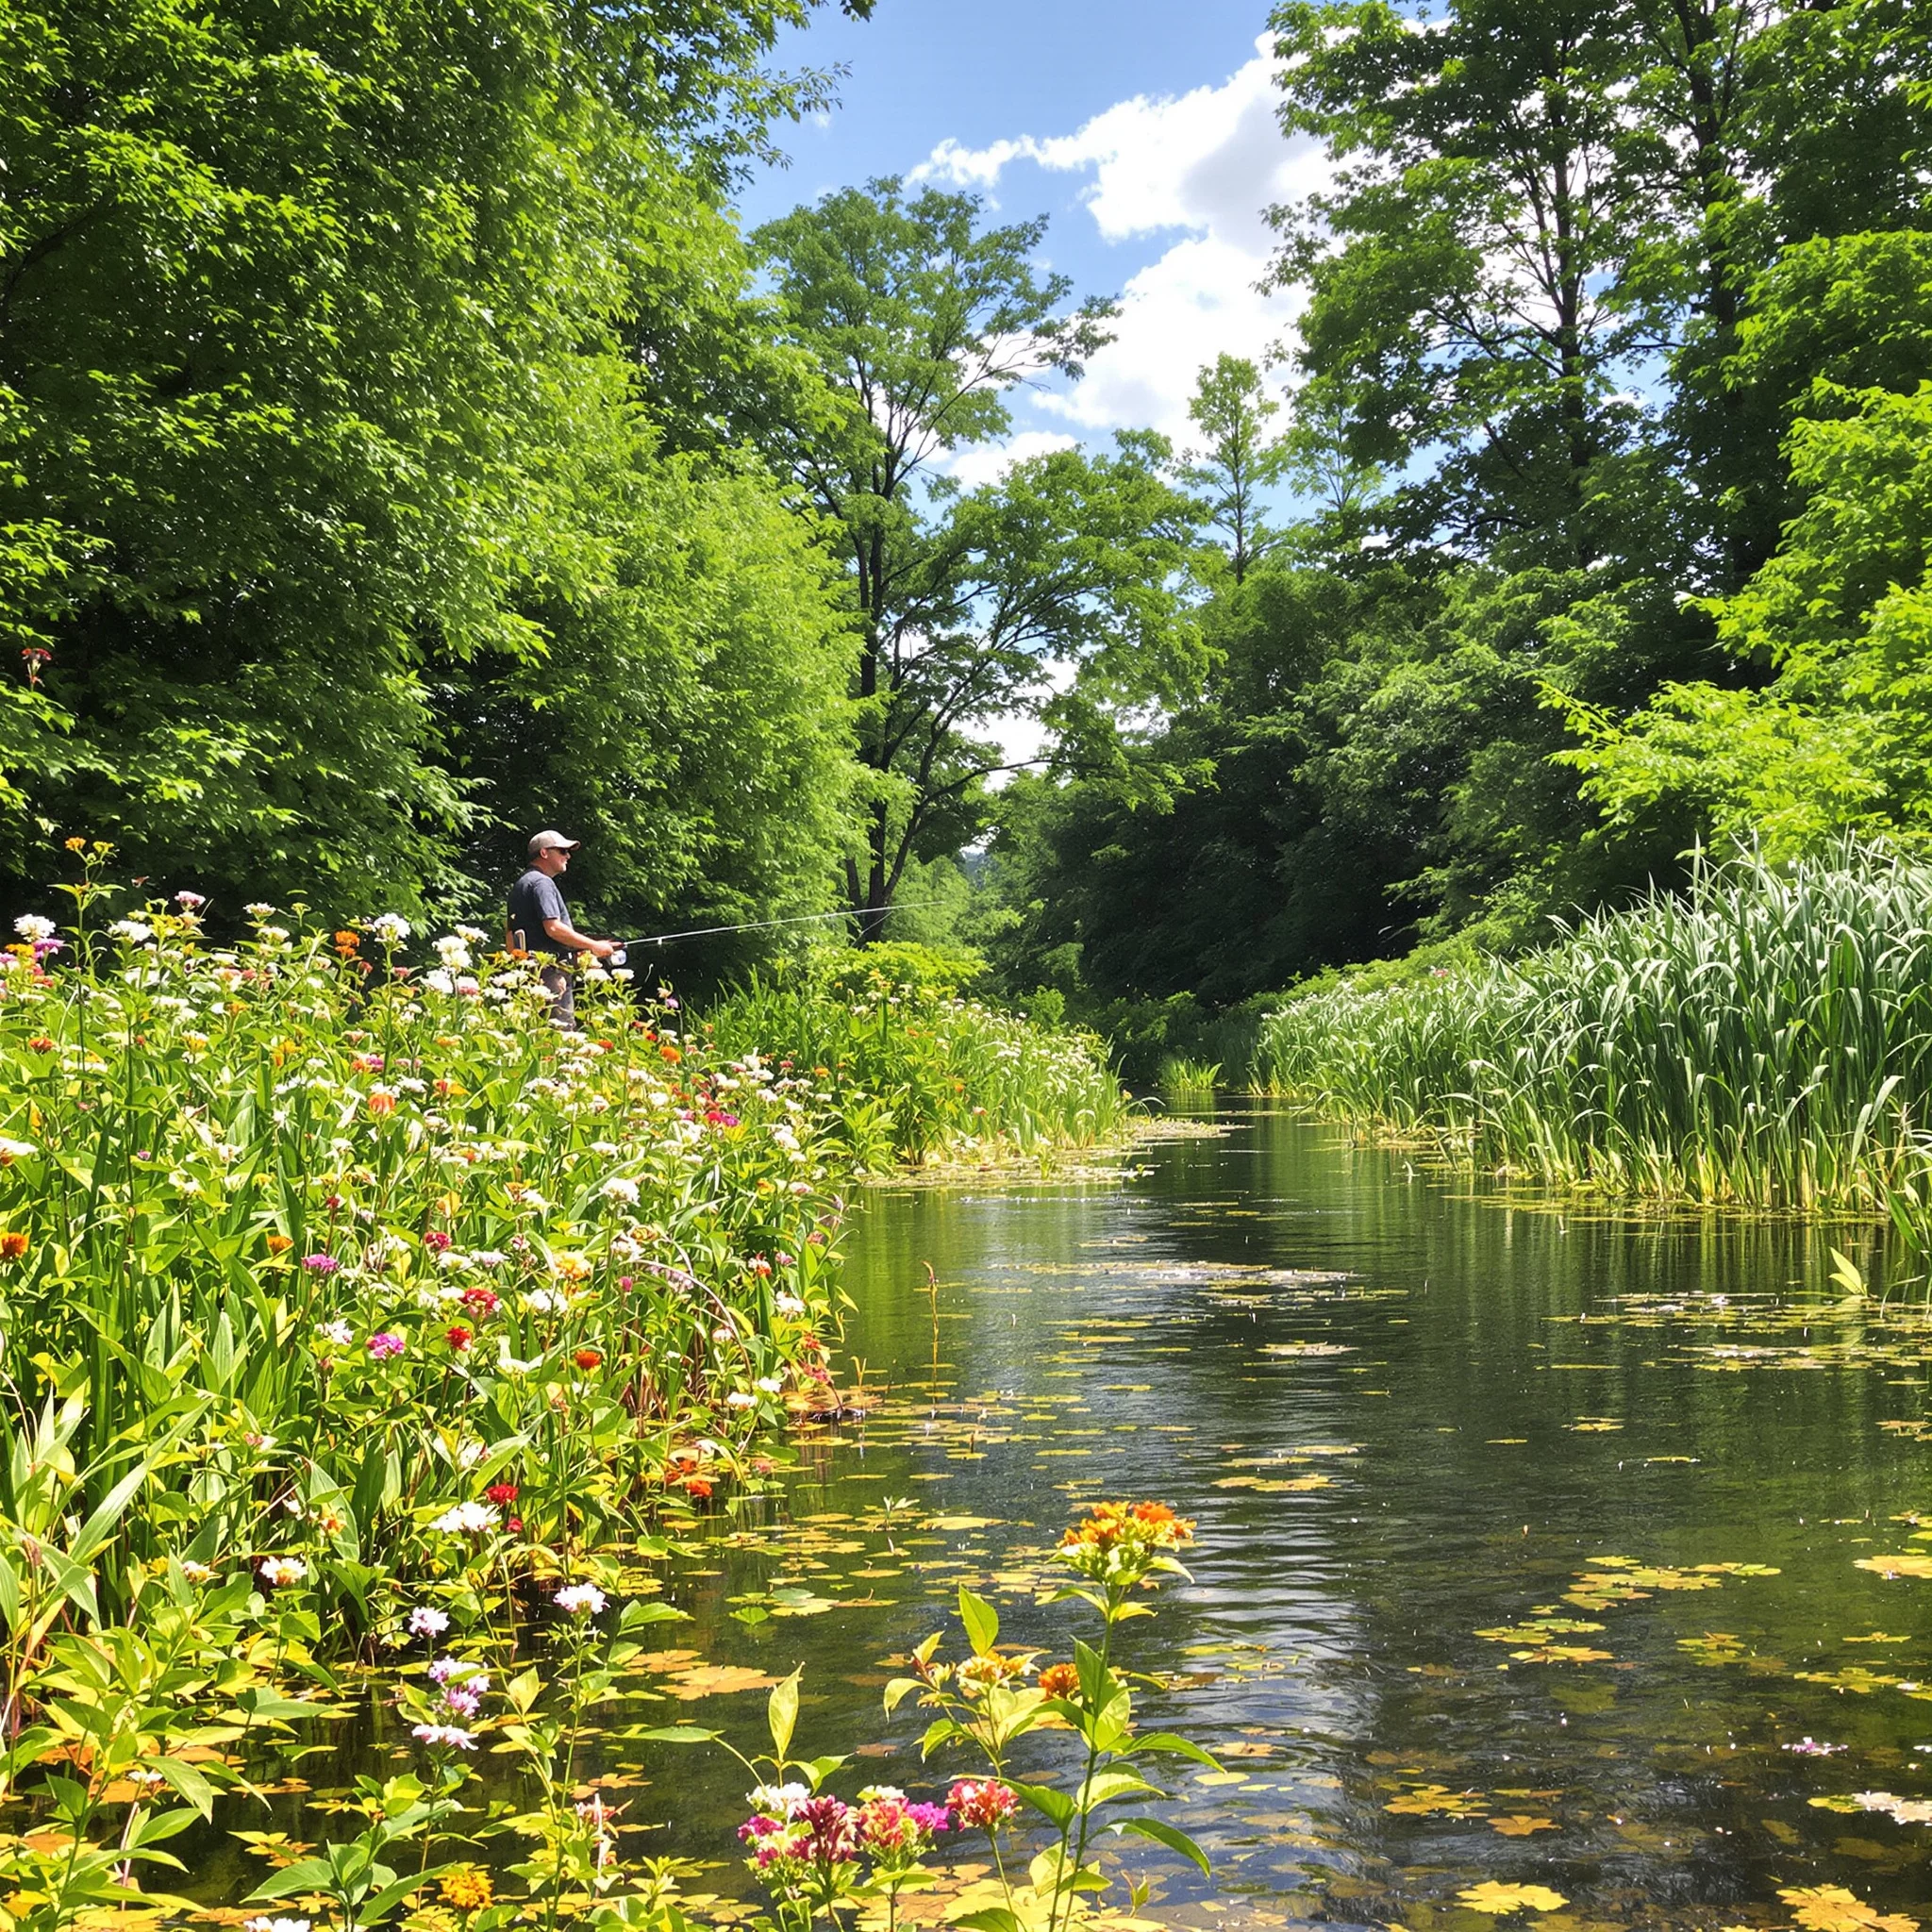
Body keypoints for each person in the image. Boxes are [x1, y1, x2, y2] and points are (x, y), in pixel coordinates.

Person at [506, 830, 617, 1026]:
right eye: (562, 851)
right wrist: (594, 946)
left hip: (527, 975)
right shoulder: (542, 883)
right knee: (559, 1035)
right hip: (550, 974)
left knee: (533, 1034)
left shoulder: (520, 885)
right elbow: (554, 928)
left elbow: (510, 936)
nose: (568, 856)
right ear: (544, 853)